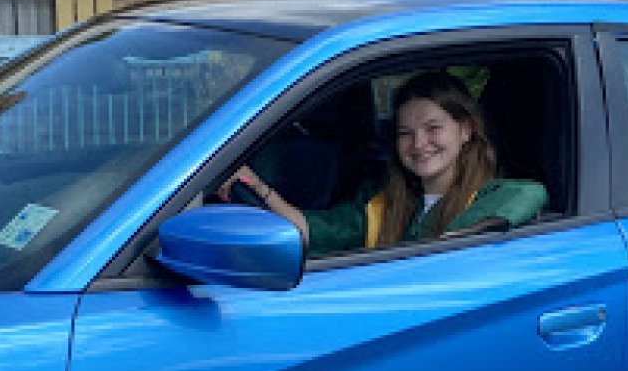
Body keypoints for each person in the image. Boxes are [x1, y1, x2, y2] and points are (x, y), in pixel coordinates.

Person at [225, 71, 547, 258]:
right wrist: (256, 187)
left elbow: (530, 194)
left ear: (466, 130)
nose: (419, 144)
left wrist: (451, 242)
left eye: (433, 128)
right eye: (405, 133)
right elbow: (308, 230)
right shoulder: (382, 203)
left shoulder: (492, 194)